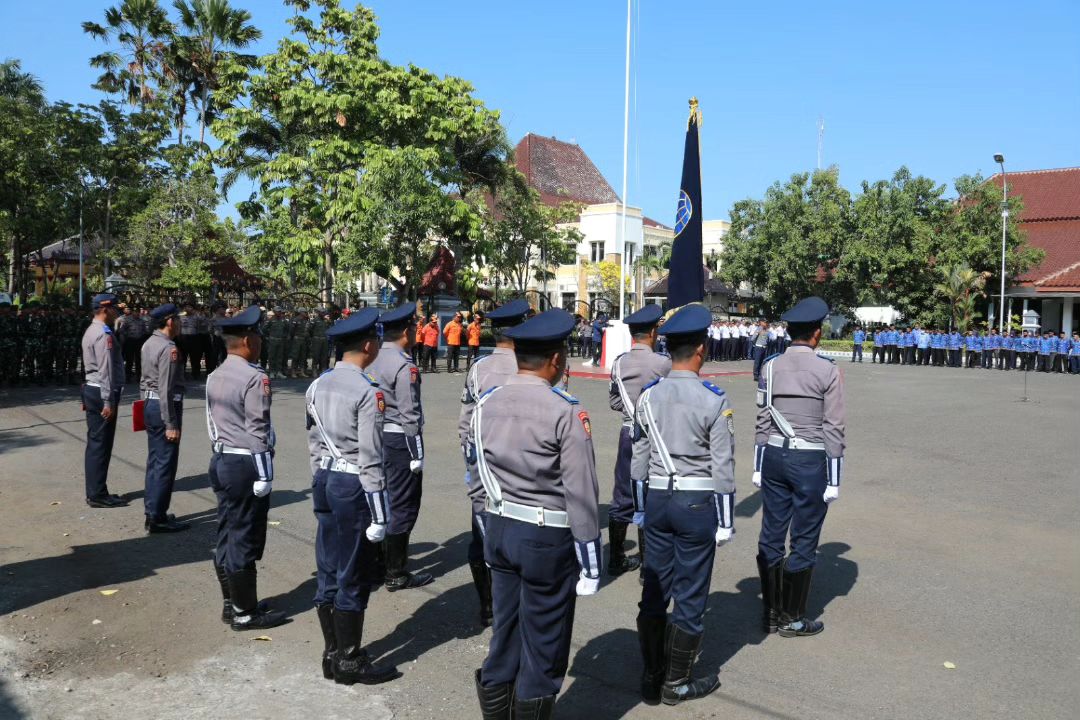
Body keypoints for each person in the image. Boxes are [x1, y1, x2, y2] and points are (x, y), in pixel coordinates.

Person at [469, 308, 600, 719]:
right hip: (545, 537)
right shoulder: (565, 410)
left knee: (505, 634)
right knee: (544, 645)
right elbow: (581, 491)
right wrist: (592, 561)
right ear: (558, 361)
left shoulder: (486, 402)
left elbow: (477, 467)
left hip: (500, 526)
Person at [631, 304, 734, 706]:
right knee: (690, 593)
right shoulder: (712, 398)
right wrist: (725, 520)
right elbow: (722, 464)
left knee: (655, 587)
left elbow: (639, 459)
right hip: (695, 502)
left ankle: (651, 675)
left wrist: (642, 507)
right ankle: (676, 683)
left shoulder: (649, 396)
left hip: (657, 499)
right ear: (701, 351)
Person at [305, 308, 400, 685]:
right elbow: (371, 458)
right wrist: (379, 514)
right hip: (354, 487)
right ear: (368, 344)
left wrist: (320, 480)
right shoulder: (367, 391)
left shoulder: (317, 384)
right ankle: (348, 660)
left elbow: (314, 444)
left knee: (328, 566)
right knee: (354, 572)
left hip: (325, 479)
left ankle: (331, 652)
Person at [753, 296, 845, 639]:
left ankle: (770, 613)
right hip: (810, 460)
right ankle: (792, 618)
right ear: (817, 334)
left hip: (775, 456)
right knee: (805, 536)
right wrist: (834, 479)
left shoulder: (770, 367)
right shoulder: (828, 370)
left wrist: (758, 464)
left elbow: (763, 418)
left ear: (789, 333)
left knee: (772, 532)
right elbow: (833, 426)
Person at [205, 305, 287, 631]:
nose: (261, 342)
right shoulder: (255, 377)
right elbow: (258, 430)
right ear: (248, 341)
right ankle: (244, 613)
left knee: (227, 531)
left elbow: (212, 423)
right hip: (246, 463)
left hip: (222, 459)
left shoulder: (214, 375)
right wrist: (265, 473)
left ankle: (233, 603)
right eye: (258, 336)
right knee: (244, 535)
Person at [458, 299, 531, 628]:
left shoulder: (479, 368)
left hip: (486, 468)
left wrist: (471, 462)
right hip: (527, 467)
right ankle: (515, 607)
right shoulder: (534, 364)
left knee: (483, 534)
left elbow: (466, 423)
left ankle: (488, 607)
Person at [368, 303, 433, 591]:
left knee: (378, 496)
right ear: (407, 332)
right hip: (398, 440)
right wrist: (417, 453)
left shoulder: (371, 358)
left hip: (372, 436)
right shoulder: (405, 366)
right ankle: (396, 572)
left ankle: (377, 565)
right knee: (403, 503)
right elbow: (410, 416)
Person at [607, 304, 671, 581]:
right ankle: (648, 566)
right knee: (652, 497)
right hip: (656, 437)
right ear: (654, 331)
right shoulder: (663, 363)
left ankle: (616, 559)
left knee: (622, 495)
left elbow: (613, 401)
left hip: (628, 434)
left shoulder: (619, 363)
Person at [139, 303, 190, 534]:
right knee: (165, 464)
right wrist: (171, 423)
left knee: (154, 461)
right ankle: (158, 518)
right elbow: (166, 389)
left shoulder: (150, 342)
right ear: (170, 321)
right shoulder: (169, 348)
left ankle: (153, 511)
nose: (181, 323)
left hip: (151, 404)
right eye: (178, 319)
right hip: (165, 407)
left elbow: (144, 382)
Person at [81, 293, 128, 509]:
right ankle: (97, 494)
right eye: (115, 309)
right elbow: (106, 370)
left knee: (97, 443)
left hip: (93, 389)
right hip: (102, 392)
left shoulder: (92, 329)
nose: (117, 312)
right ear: (105, 309)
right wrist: (109, 401)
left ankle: (98, 490)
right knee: (101, 445)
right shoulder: (103, 334)